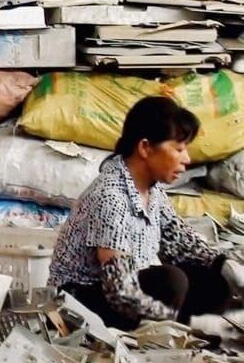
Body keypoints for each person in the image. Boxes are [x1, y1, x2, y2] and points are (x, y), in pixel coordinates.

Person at [49, 96, 244, 333]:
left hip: (119, 292)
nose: (187, 159)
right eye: (179, 149)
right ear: (145, 148)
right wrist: (189, 323)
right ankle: (170, 335)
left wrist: (224, 264)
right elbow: (119, 291)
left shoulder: (153, 191)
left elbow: (180, 243)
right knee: (171, 282)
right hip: (79, 305)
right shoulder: (112, 198)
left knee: (214, 281)